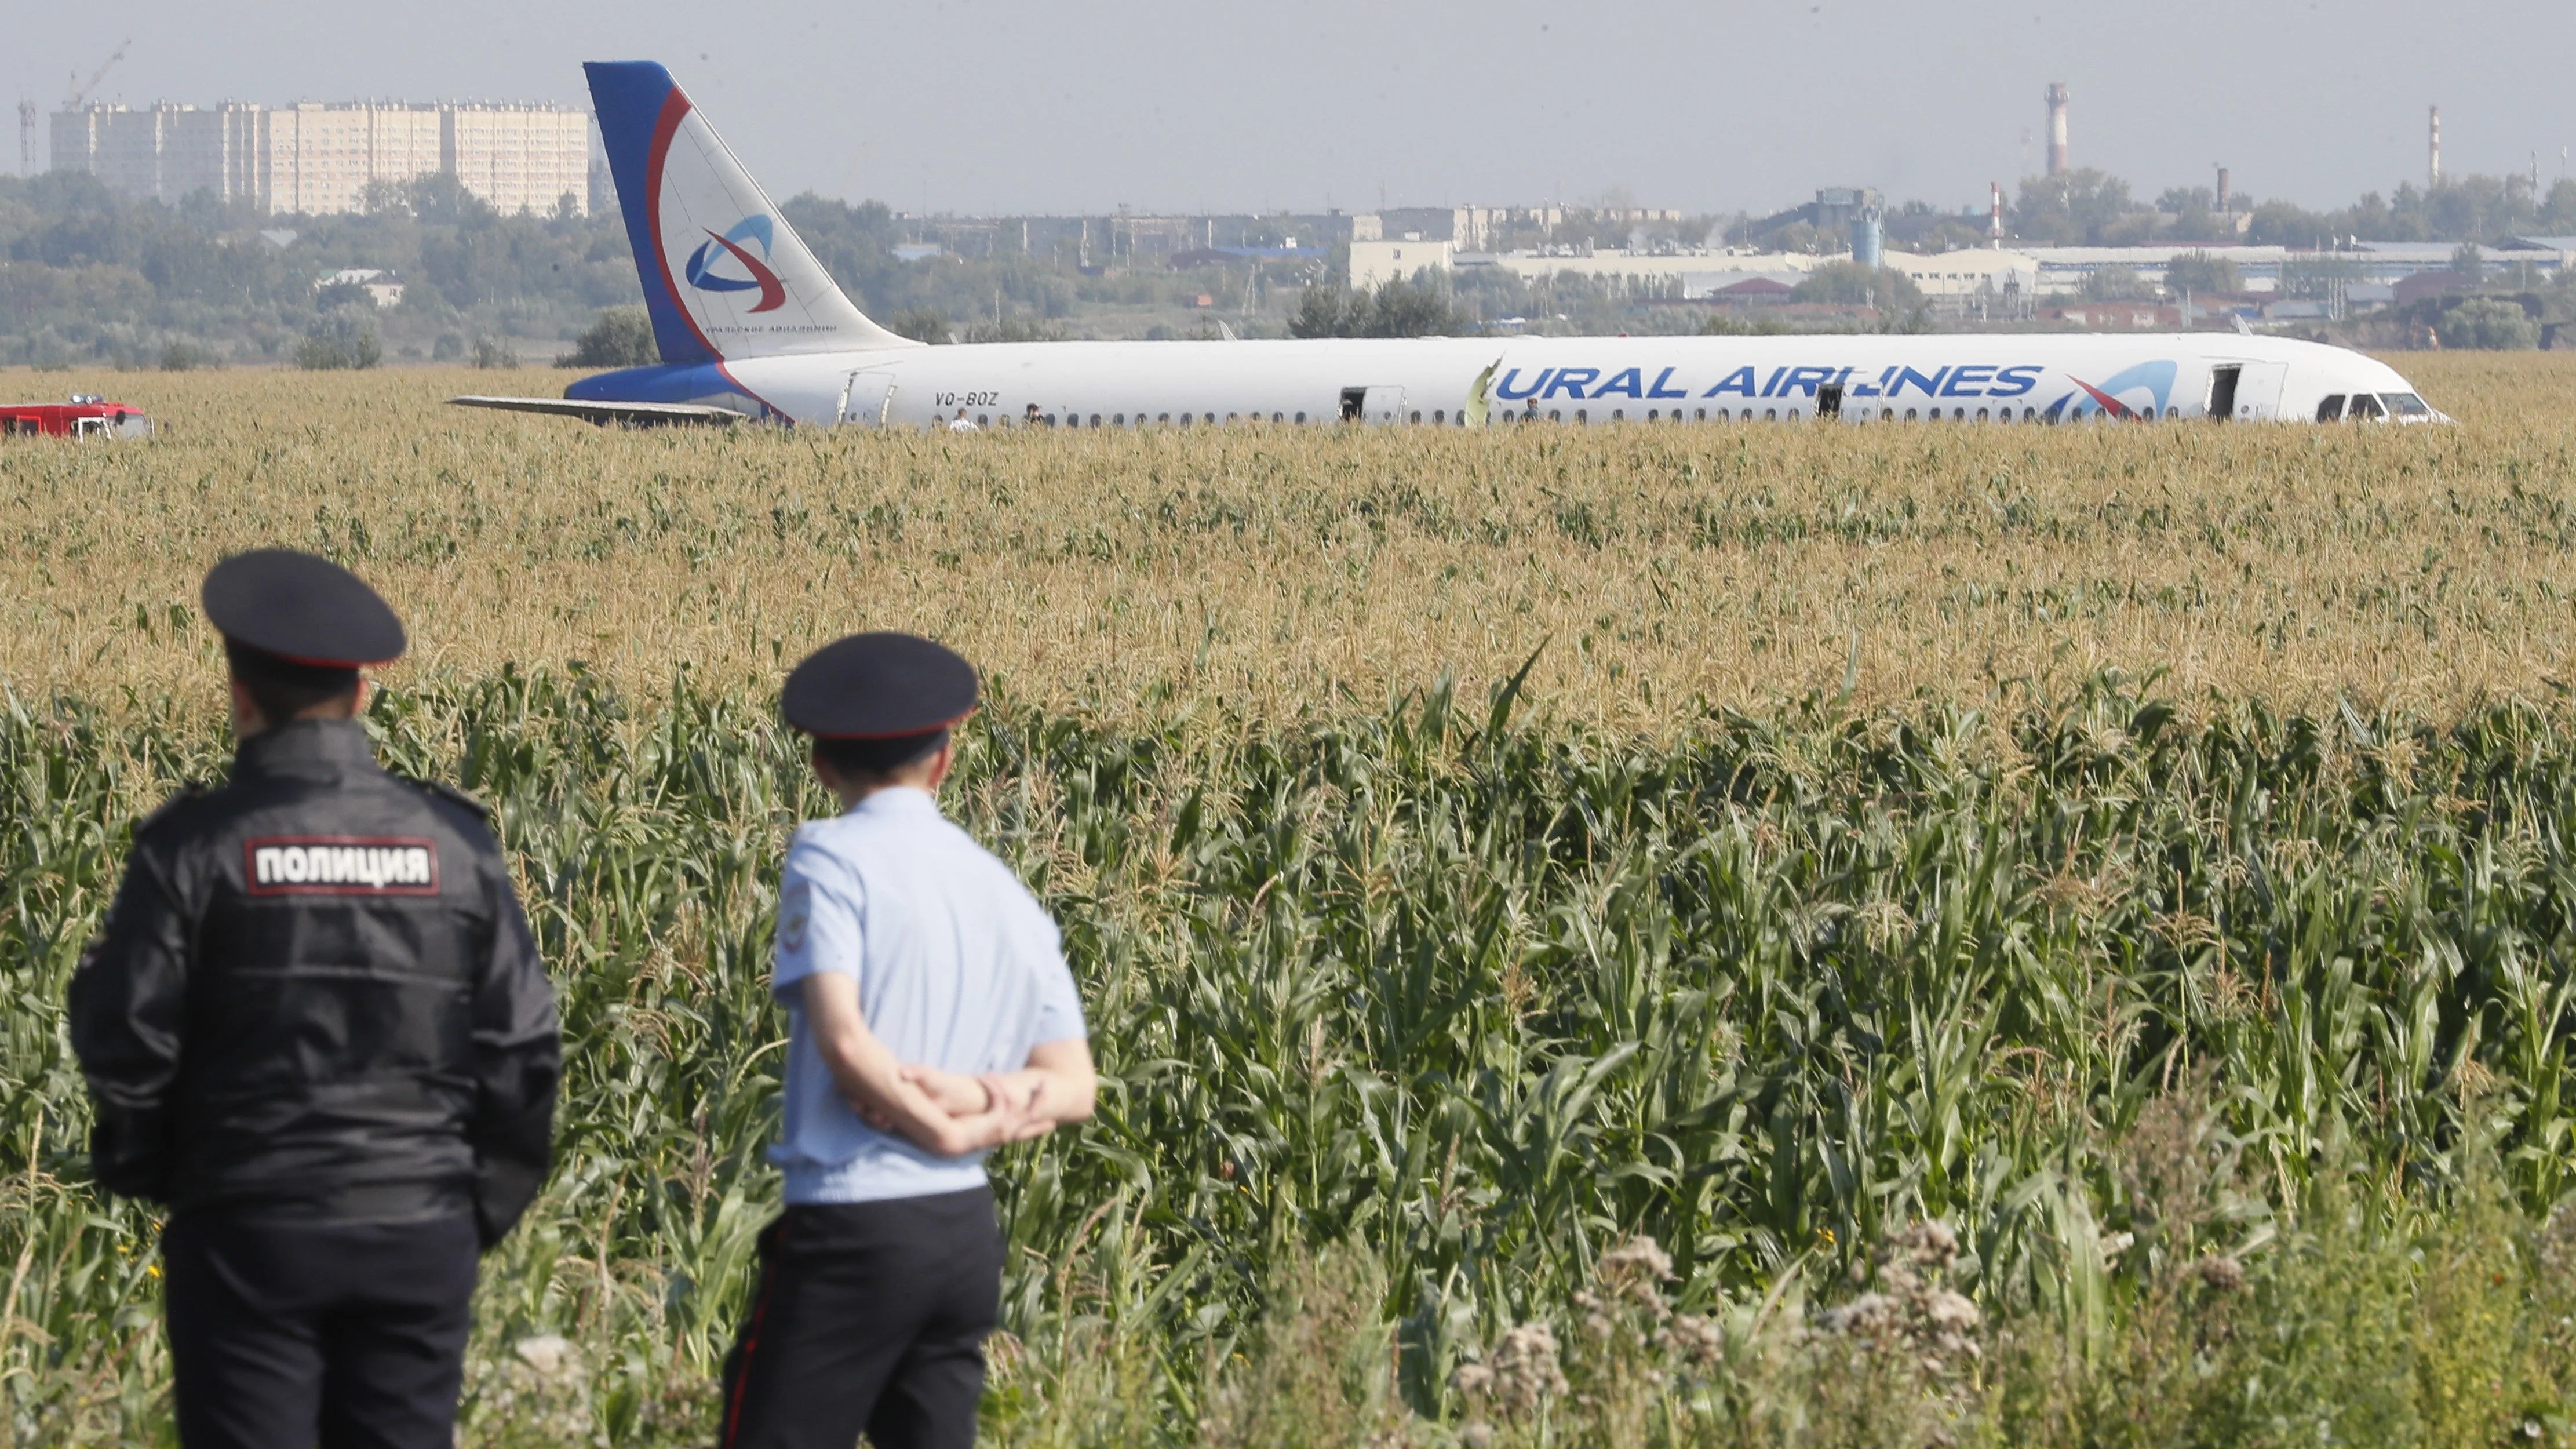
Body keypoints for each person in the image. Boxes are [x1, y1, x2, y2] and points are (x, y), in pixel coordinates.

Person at [68, 548, 560, 1449]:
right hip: (418, 1226)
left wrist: (161, 1172)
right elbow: (524, 1045)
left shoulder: (194, 849)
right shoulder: (452, 845)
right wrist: (477, 1204)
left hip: (251, 1226)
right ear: (364, 696)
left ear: (238, 693)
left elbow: (124, 1033)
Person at [719, 631, 1095, 1449]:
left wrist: (937, 1123)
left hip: (852, 1224)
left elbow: (846, 1045)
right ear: (945, 760)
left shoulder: (830, 859)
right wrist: (981, 1112)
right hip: (960, 1228)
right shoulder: (1002, 889)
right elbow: (1074, 1084)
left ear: (820, 766)